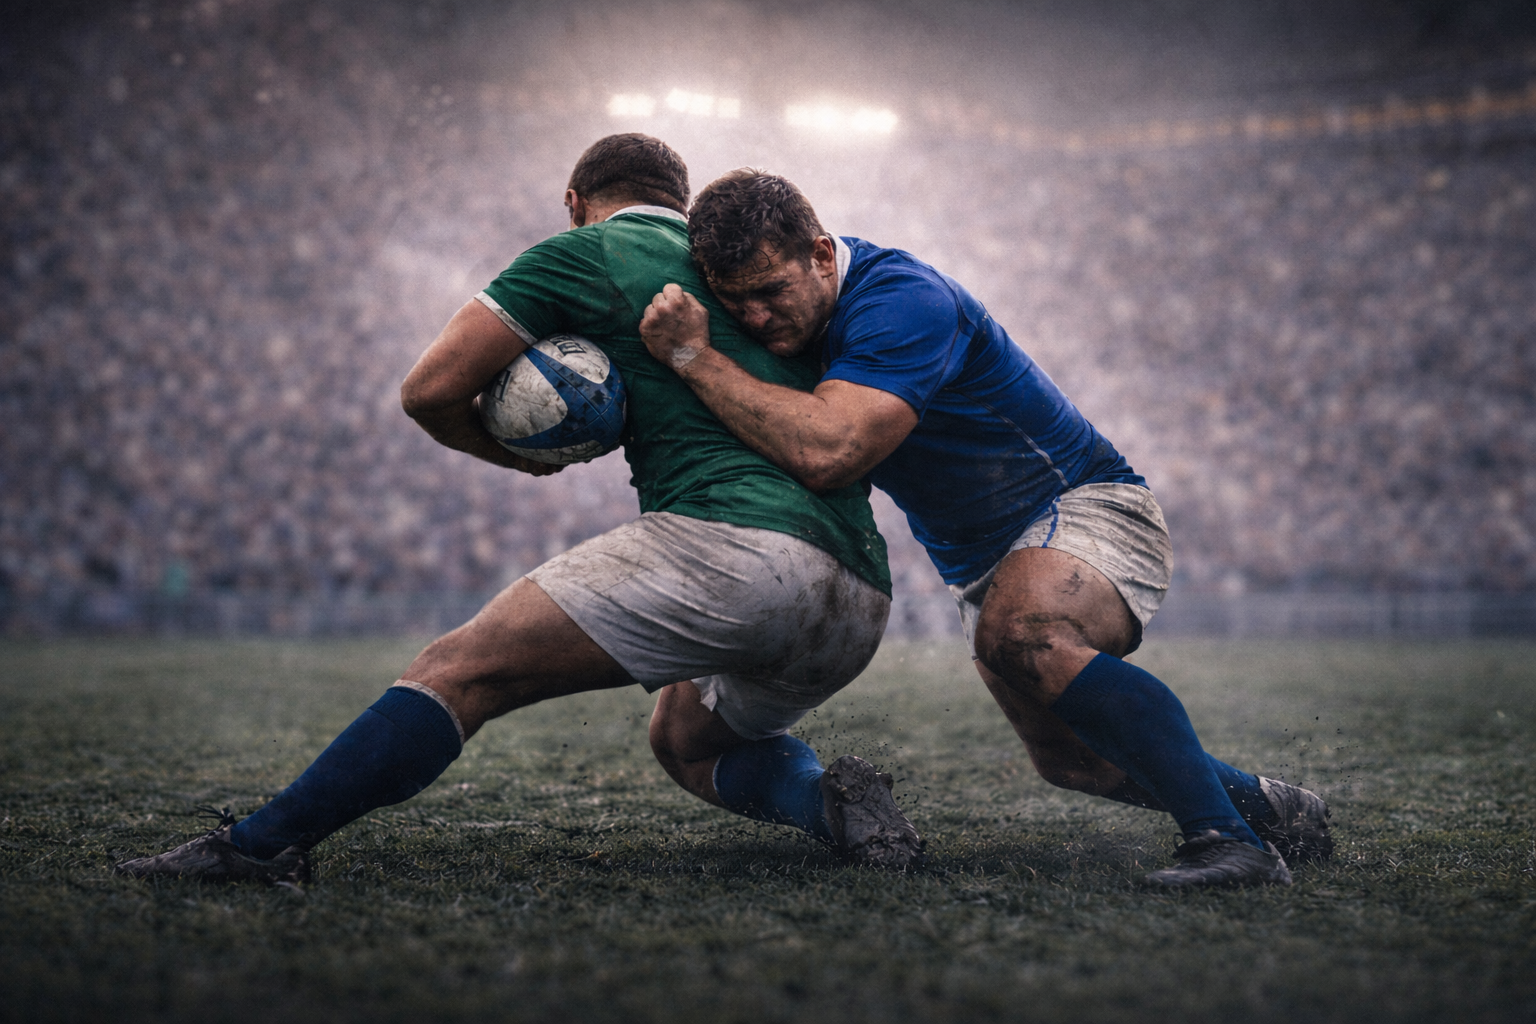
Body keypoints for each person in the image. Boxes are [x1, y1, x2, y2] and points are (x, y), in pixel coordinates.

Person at [114, 136, 921, 884]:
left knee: (456, 672)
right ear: (684, 207)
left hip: (734, 552)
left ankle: (258, 849)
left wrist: (517, 456)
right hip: (856, 595)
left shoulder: (589, 250)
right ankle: (828, 803)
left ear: (574, 202)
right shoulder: (745, 271)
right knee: (686, 741)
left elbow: (428, 392)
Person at [637, 169, 1333, 888]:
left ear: (820, 255)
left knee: (1026, 635)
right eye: (734, 302)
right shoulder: (792, 321)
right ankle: (1269, 808)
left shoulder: (901, 299)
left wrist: (692, 355)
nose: (754, 318)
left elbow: (830, 451)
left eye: (770, 292)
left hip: (1084, 505)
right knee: (1073, 763)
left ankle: (1229, 842)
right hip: (983, 563)